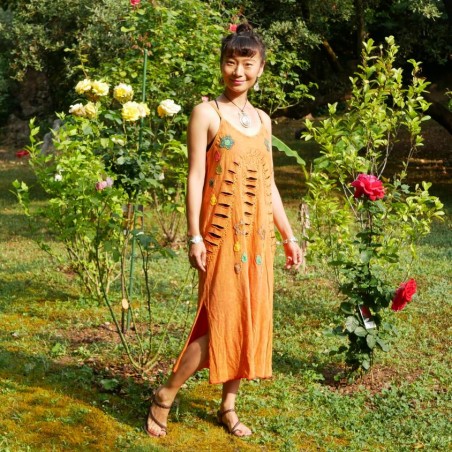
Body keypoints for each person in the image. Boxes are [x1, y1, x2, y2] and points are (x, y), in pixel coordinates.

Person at [144, 22, 303, 439]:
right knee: (220, 319)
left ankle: (228, 406)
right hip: (219, 236)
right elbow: (195, 177)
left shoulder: (264, 120)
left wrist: (288, 236)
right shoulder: (206, 114)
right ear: (221, 65)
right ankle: (165, 394)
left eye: (248, 63)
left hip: (258, 239)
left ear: (260, 68)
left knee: (249, 318)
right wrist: (194, 235)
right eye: (231, 62)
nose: (239, 71)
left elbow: (269, 184)